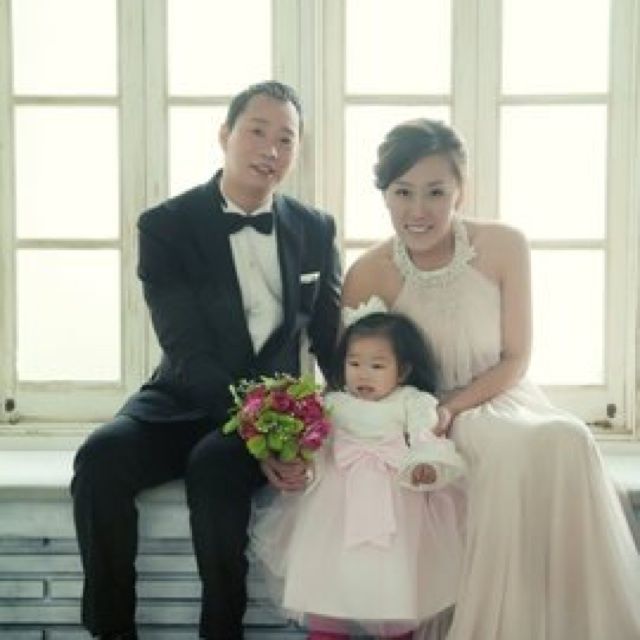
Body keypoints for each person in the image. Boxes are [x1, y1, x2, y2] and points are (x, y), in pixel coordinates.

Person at [342, 117, 640, 640]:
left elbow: (516, 357)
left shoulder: (504, 245)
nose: (418, 210)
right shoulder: (368, 272)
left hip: (500, 396)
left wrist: (455, 406)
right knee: (512, 451)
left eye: (436, 192)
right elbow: (359, 374)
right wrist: (422, 419)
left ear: (461, 190)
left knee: (567, 437)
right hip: (422, 418)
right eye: (403, 192)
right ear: (384, 194)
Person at [70, 81, 342, 640]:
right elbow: (186, 347)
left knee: (214, 467)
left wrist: (332, 426)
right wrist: (258, 431)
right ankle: (111, 629)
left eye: (286, 139)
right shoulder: (166, 225)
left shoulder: (315, 229)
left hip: (271, 409)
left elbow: (329, 336)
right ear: (225, 135)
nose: (271, 149)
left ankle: (222, 630)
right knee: (99, 459)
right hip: (180, 398)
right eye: (257, 131)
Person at [250, 306, 466, 640]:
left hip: (394, 499)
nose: (363, 374)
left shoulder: (412, 401)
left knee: (391, 579)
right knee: (328, 578)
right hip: (336, 501)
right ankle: (327, 632)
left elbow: (425, 436)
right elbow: (319, 444)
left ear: (403, 370)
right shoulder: (333, 403)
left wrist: (424, 464)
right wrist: (304, 465)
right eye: (354, 364)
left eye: (377, 366)